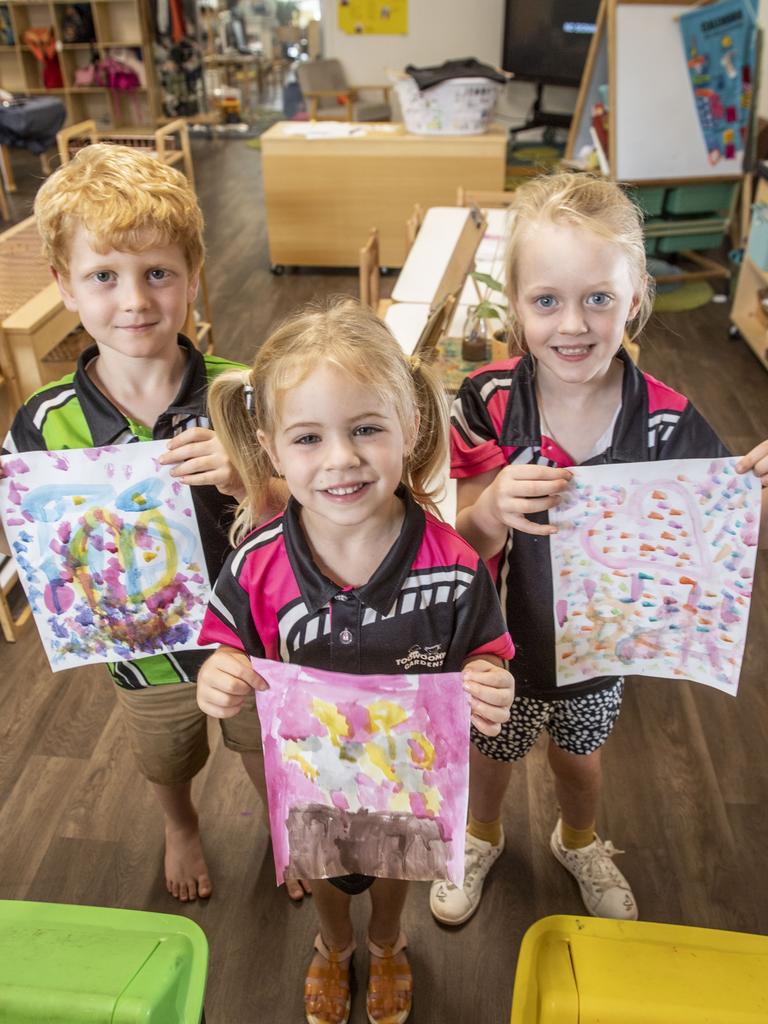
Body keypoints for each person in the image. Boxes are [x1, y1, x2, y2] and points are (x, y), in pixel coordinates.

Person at [429, 172, 768, 927]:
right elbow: (449, 544)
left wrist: (755, 496)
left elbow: (724, 535)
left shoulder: (669, 422)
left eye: (599, 298)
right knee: (491, 755)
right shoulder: (485, 400)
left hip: (599, 651)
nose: (572, 324)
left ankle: (577, 840)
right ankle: (480, 835)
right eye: (547, 300)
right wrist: (491, 508)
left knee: (579, 761)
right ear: (514, 305)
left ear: (637, 296)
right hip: (497, 645)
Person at [195, 299, 516, 1024]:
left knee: (397, 867)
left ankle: (388, 942)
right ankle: (332, 947)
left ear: (410, 429)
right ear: (272, 451)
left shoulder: (455, 567)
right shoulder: (257, 563)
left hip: (411, 776)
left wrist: (490, 681)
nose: (341, 459)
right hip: (311, 775)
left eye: (367, 429)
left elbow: (488, 651)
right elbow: (228, 637)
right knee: (327, 870)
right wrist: (221, 670)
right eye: (308, 437)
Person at [0, 143, 289, 902]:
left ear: (193, 278)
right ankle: (181, 823)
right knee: (164, 755)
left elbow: (314, 504)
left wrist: (248, 476)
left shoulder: (246, 395)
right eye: (104, 277)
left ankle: (284, 823)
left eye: (157, 273)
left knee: (264, 744)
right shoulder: (44, 423)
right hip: (141, 645)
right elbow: (35, 535)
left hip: (254, 628)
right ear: (65, 286)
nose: (134, 301)